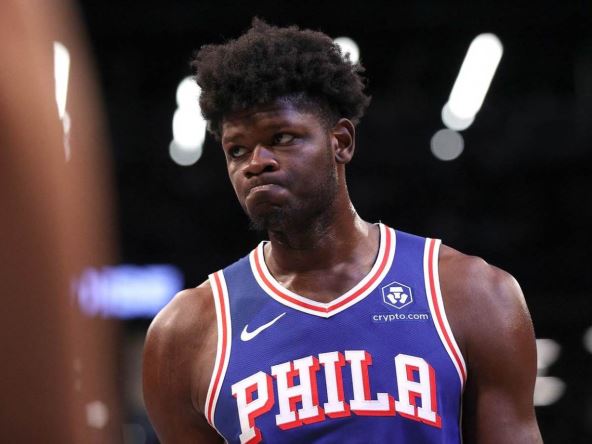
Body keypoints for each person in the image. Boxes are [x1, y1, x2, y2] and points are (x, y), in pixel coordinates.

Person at [143, 19, 542, 443]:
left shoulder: (470, 292)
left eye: (281, 137)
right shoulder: (184, 333)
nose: (256, 163)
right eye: (237, 149)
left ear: (342, 141)